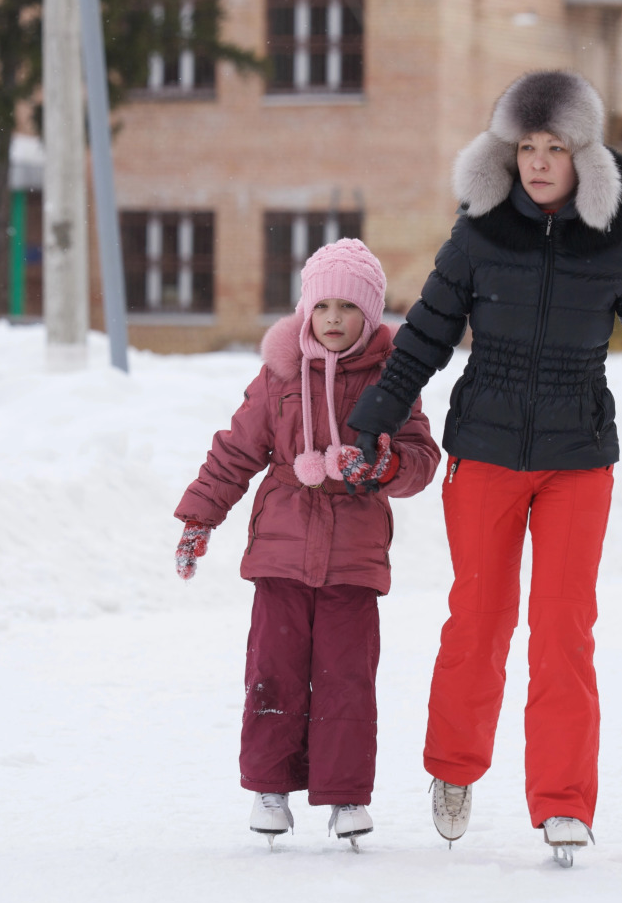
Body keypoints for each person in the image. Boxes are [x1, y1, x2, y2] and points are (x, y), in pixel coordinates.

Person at [346, 70, 622, 866]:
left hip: (577, 460)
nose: (537, 161)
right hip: (484, 451)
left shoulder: (616, 243)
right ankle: (453, 771)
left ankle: (563, 801)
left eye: (554, 146)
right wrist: (377, 416)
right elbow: (424, 332)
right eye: (526, 145)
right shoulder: (478, 233)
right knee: (480, 619)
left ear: (582, 154)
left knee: (564, 631)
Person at [173, 240, 441, 848]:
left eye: (349, 307)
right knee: (274, 673)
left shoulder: (392, 382)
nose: (335, 319)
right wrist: (199, 518)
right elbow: (236, 452)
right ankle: (271, 789)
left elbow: (423, 460)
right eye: (324, 306)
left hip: (354, 556)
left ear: (370, 315)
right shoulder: (279, 375)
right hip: (281, 552)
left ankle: (345, 796)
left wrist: (384, 464)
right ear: (305, 310)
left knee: (347, 679)